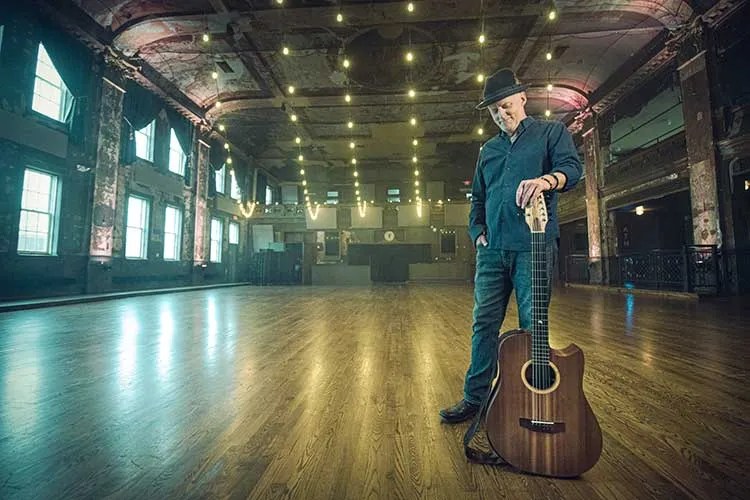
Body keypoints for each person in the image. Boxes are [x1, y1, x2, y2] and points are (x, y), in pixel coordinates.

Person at [439, 68, 583, 423]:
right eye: (494, 111)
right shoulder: (488, 150)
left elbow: (572, 169)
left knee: (533, 324)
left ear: (522, 98)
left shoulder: (552, 133)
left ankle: (532, 399)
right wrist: (478, 233)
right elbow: (478, 199)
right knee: (483, 323)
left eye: (505, 106)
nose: (502, 115)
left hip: (532, 247)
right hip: (492, 251)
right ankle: (475, 399)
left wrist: (547, 180)